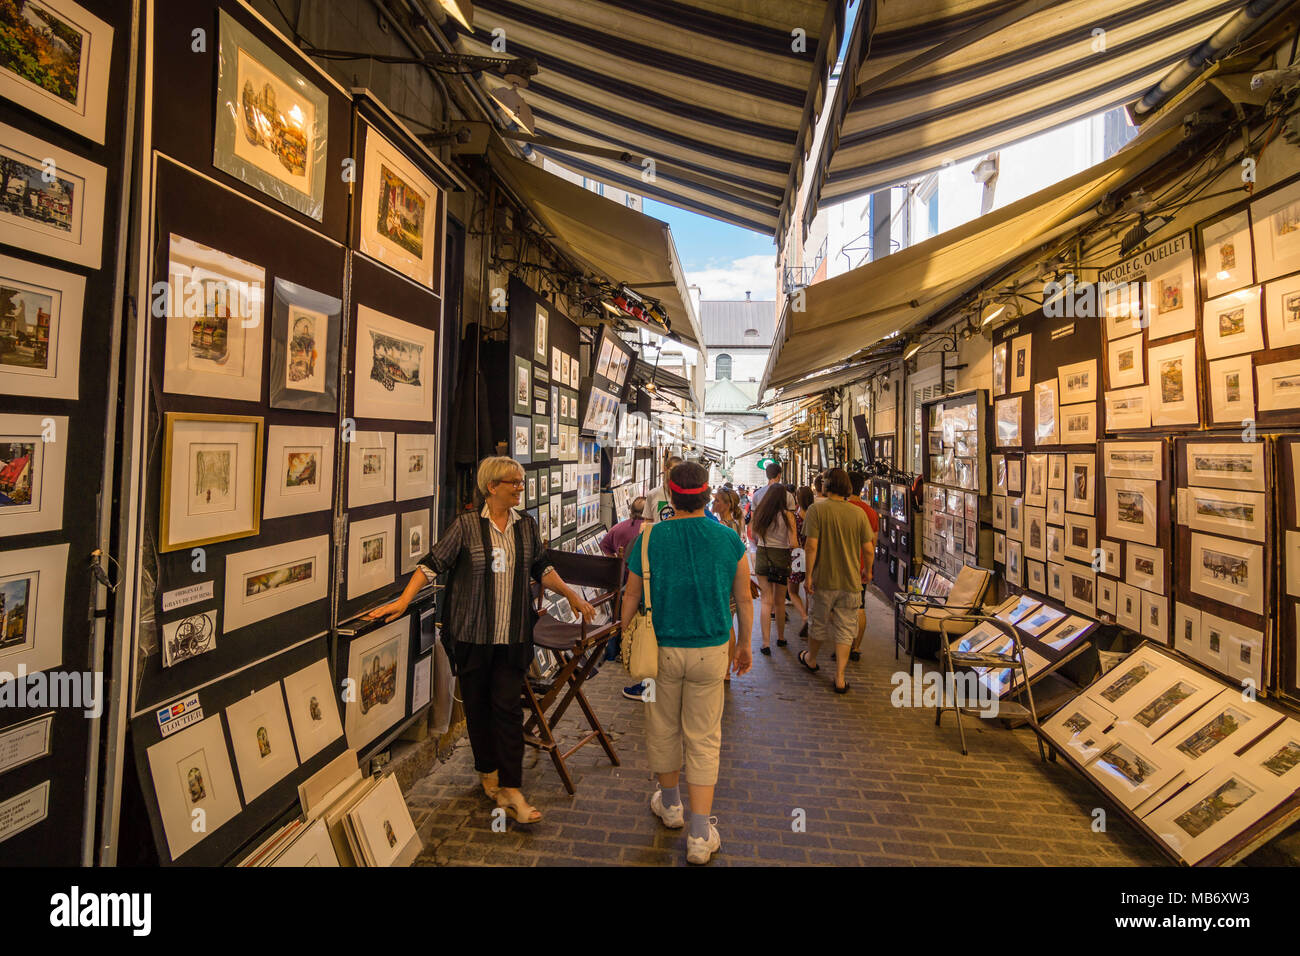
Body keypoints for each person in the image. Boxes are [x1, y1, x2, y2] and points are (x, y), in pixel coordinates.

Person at [368, 456, 595, 825]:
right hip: (471, 636)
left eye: (521, 482)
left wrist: (571, 595)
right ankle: (487, 771)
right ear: (492, 487)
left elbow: (542, 567)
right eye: (514, 482)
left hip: (512, 637)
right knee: (477, 708)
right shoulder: (466, 527)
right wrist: (403, 600)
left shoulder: (527, 526)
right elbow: (431, 565)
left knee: (506, 709)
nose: (520, 487)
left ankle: (512, 789)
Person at [620, 461, 754, 864]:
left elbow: (630, 596)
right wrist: (744, 644)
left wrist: (624, 636)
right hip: (711, 650)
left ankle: (671, 806)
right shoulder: (728, 539)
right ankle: (699, 834)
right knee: (703, 736)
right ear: (707, 493)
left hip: (660, 650)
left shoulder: (648, 539)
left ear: (670, 493)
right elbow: (744, 599)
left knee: (662, 727)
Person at [798, 468, 873, 694]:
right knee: (845, 627)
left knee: (818, 622)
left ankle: (811, 659)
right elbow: (868, 549)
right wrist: (867, 572)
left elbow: (811, 546)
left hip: (824, 579)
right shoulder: (858, 513)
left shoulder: (816, 510)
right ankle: (840, 676)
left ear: (826, 485)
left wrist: (808, 576)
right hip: (851, 581)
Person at [627, 456, 683, 700]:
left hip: (677, 562)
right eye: (671, 472)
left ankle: (669, 680)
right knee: (651, 623)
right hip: (656, 563)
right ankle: (649, 684)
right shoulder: (653, 495)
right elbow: (647, 525)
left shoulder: (683, 495)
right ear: (665, 471)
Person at [749, 462, 798, 655]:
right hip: (781, 556)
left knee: (766, 600)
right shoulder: (788, 516)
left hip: (763, 554)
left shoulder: (762, 515)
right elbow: (793, 542)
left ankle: (765, 643)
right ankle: (781, 638)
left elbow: (753, 535)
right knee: (779, 600)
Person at [846, 470, 880, 662]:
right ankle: (856, 647)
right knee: (859, 606)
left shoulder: (841, 508)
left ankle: (842, 644)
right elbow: (872, 544)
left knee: (841, 609)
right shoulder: (870, 513)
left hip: (842, 566)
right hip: (860, 567)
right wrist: (868, 568)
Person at [789, 486, 815, 637]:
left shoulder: (795, 516)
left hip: (797, 555)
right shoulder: (814, 514)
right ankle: (809, 617)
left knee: (792, 591)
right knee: (808, 590)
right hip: (811, 555)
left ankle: (804, 617)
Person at [644, 455, 684, 523]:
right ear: (665, 469)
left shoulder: (686, 495)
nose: (676, 474)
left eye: (680, 471)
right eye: (673, 470)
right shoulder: (653, 494)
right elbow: (648, 521)